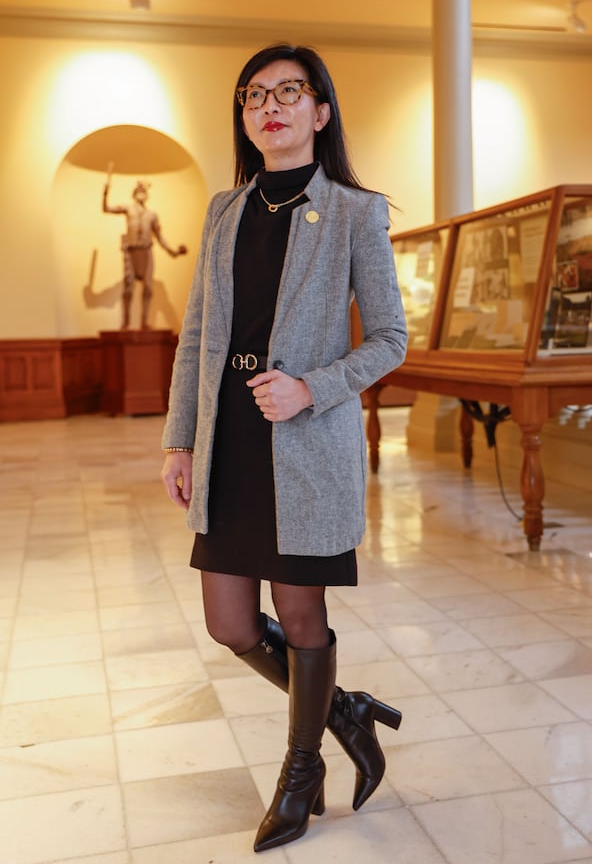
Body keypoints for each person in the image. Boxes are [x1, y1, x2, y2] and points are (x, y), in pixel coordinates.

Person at [161, 43, 408, 853]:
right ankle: (343, 709)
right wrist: (181, 438)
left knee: (301, 614)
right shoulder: (224, 209)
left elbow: (391, 340)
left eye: (289, 92)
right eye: (254, 96)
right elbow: (198, 332)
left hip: (303, 441)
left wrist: (313, 387)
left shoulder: (353, 211)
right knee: (230, 623)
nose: (271, 106)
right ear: (245, 117)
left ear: (320, 112)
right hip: (231, 439)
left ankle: (303, 771)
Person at [102, 167, 187, 329]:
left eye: (144, 191)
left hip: (146, 251)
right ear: (134, 193)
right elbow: (106, 208)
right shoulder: (128, 208)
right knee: (128, 286)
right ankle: (126, 322)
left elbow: (160, 236)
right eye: (139, 190)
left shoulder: (152, 215)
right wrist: (106, 189)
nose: (141, 193)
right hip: (131, 251)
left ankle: (144, 321)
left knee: (148, 287)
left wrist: (172, 251)